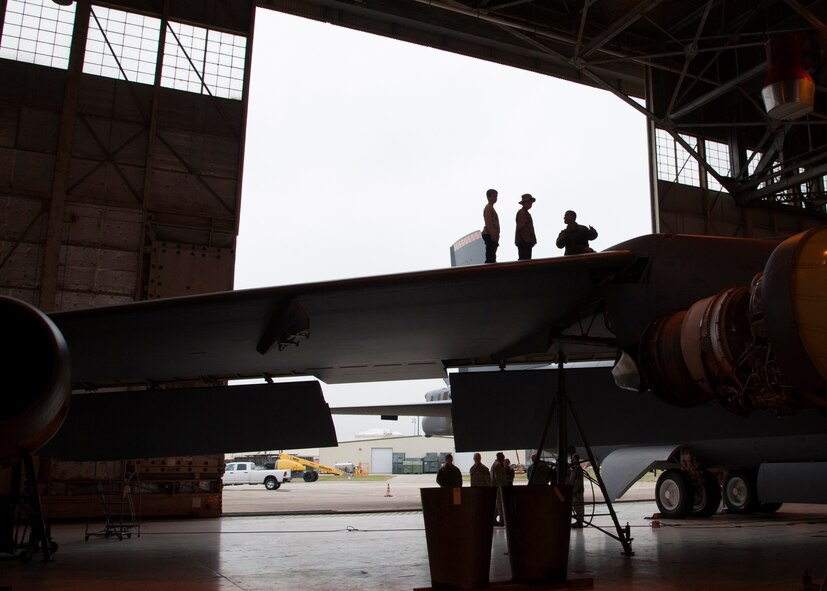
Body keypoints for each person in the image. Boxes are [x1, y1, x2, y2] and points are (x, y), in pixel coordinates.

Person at [567, 448, 586, 528]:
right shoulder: (575, 469)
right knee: (576, 506)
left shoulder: (577, 470)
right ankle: (579, 521)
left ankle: (579, 522)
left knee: (579, 507)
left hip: (577, 492)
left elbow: (578, 482)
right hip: (576, 491)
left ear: (576, 460)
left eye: (573, 459)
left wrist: (573, 490)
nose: (572, 461)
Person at [515, 194, 537, 260]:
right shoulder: (522, 213)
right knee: (524, 261)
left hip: (526, 242)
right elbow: (522, 228)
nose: (530, 204)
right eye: (528, 202)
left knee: (526, 260)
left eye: (530, 202)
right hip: (524, 242)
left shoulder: (525, 213)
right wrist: (528, 241)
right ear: (524, 203)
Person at [481, 189, 500, 263]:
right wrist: (494, 237)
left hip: (492, 235)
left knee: (492, 255)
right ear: (488, 197)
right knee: (490, 256)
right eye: (494, 196)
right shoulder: (488, 208)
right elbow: (489, 223)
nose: (495, 198)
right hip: (489, 235)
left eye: (496, 196)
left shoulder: (491, 208)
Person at [490, 452, 506, 526]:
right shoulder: (498, 465)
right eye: (503, 457)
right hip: (499, 488)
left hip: (494, 487)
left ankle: (494, 519)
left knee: (496, 505)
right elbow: (499, 478)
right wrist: (502, 487)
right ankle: (502, 520)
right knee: (500, 504)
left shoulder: (494, 464)